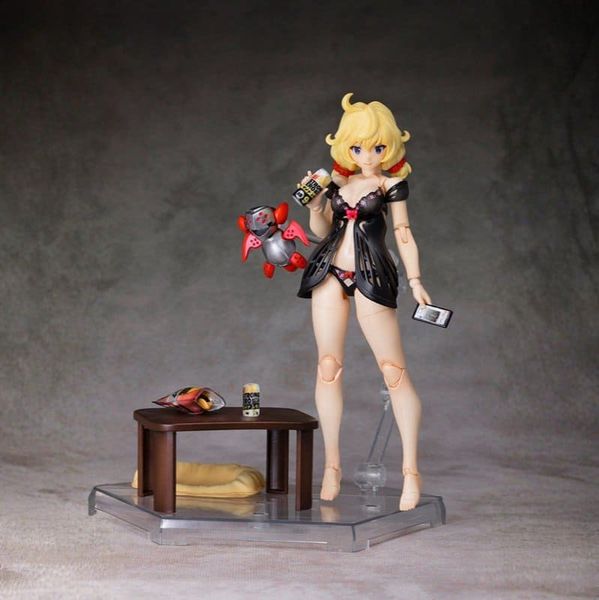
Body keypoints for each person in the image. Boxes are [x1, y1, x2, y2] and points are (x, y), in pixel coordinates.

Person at [297, 93, 431, 510]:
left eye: (376, 147)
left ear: (389, 146)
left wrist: (415, 279)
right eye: (357, 148)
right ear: (345, 147)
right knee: (328, 367)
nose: (367, 156)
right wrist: (316, 203)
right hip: (329, 272)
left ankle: (411, 471)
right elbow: (322, 231)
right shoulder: (339, 185)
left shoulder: (391, 185)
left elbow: (403, 233)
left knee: (394, 371)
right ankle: (331, 467)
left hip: (372, 275)